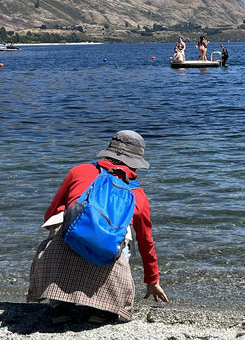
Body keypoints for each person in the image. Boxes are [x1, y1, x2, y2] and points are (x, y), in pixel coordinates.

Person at [27, 130, 169, 324]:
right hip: (105, 259)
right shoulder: (137, 194)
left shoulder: (78, 171)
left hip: (58, 256)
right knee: (124, 236)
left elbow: (49, 215)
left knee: (62, 222)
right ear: (135, 162)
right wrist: (152, 281)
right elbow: (146, 242)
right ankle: (102, 310)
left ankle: (59, 305)